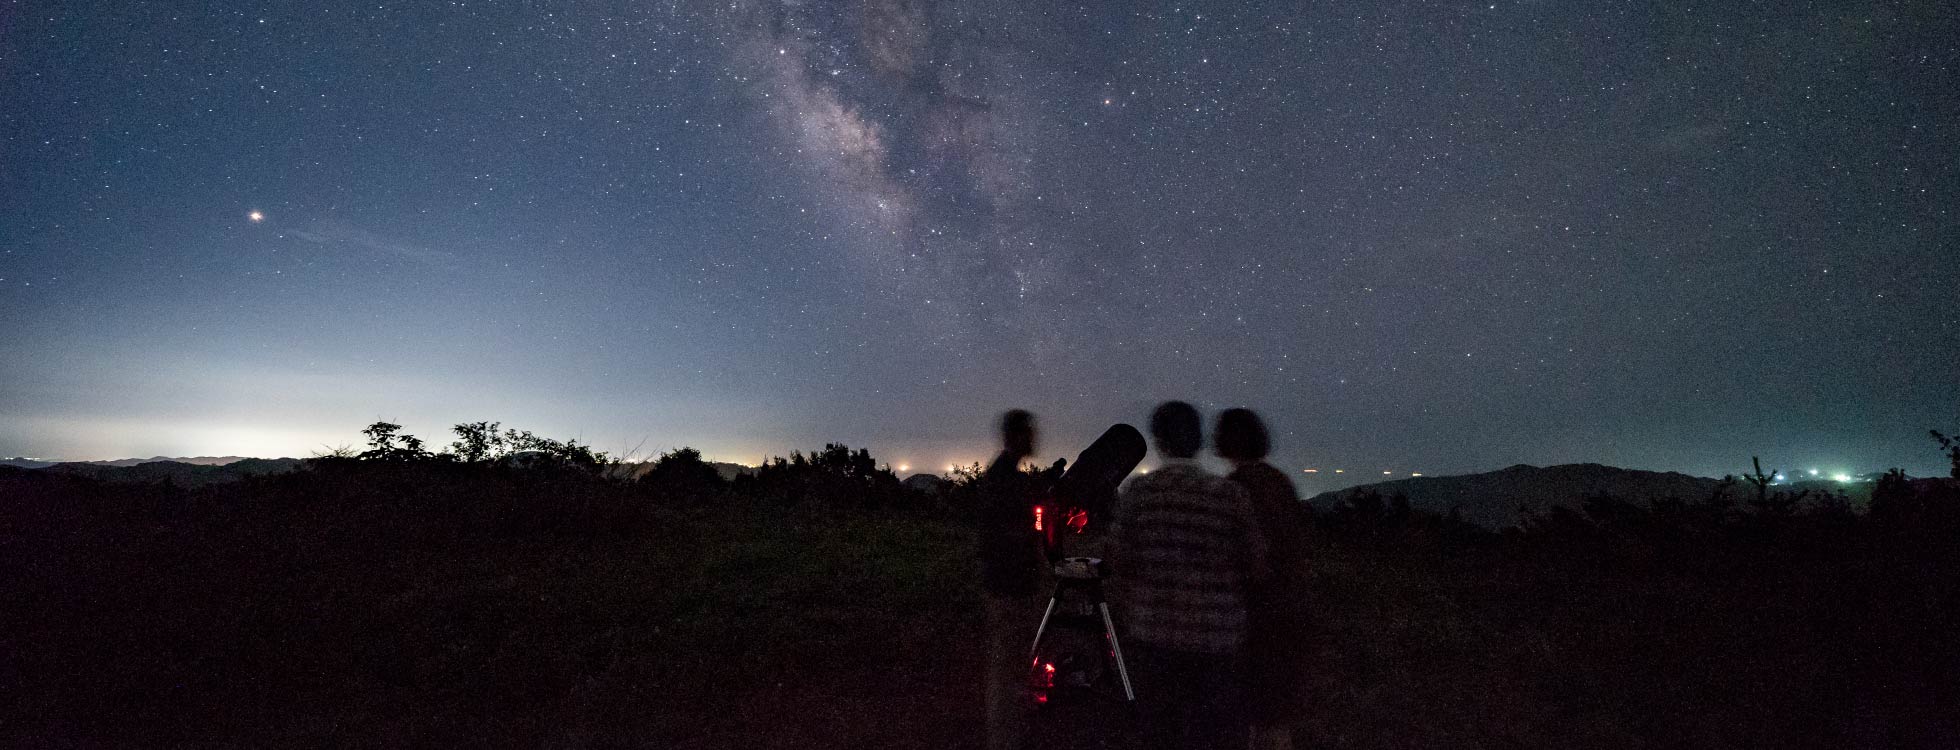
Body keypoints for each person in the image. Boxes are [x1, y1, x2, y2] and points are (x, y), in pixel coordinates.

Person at [1108, 401, 1267, 750]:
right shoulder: (1230, 495)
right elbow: (1255, 565)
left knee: (1162, 735)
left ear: (1160, 442)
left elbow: (1120, 562)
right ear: (1198, 441)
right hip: (1217, 642)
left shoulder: (1139, 493)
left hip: (1154, 639)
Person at [1215, 408, 1312, 750]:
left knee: (1252, 710)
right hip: (1289, 609)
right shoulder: (1280, 482)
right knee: (1275, 714)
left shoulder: (1236, 488)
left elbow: (1236, 554)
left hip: (1254, 613)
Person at [978, 409, 1044, 750]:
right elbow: (1004, 535)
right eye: (1030, 432)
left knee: (1009, 666)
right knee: (1006, 668)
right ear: (1017, 436)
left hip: (1006, 583)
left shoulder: (1004, 475)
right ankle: (1004, 739)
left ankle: (1008, 733)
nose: (1035, 438)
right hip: (1008, 587)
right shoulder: (1004, 480)